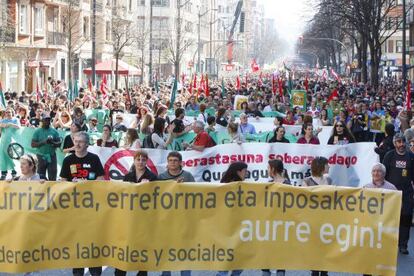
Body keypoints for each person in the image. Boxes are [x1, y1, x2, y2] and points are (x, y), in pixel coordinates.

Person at [59, 131, 104, 275]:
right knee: (77, 240)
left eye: (80, 142)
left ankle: (95, 270)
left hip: (91, 208)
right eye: (75, 141)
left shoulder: (94, 158)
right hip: (74, 208)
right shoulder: (68, 160)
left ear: (87, 144)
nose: (77, 144)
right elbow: (63, 182)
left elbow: (102, 179)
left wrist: (86, 184)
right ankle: (77, 270)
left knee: (93, 239)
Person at [114, 151, 157, 276]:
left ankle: (142, 272)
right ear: (134, 161)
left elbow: (158, 195)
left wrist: (147, 188)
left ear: (146, 161)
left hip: (144, 218)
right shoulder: (128, 176)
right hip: (129, 217)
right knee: (125, 246)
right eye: (138, 159)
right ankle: (120, 271)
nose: (140, 162)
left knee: (142, 247)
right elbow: (123, 194)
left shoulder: (152, 177)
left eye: (143, 160)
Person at [382, 133, 414, 254]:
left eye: (403, 141)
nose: (401, 144)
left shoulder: (411, 156)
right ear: (395, 143)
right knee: (389, 219)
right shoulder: (389, 156)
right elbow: (383, 173)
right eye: (398, 142)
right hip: (391, 194)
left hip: (406, 194)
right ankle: (388, 242)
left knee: (405, 218)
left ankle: (403, 245)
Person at [217, 162, 248, 276]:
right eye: (245, 171)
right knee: (230, 260)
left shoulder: (242, 185)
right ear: (239, 171)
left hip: (238, 225)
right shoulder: (228, 185)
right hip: (229, 225)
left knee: (238, 261)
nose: (246, 174)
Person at [262, 159, 289, 276]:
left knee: (280, 248)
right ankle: (266, 271)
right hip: (269, 220)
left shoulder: (286, 183)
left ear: (273, 169)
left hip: (282, 222)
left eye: (268, 168)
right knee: (267, 247)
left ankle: (280, 272)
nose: (267, 170)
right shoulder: (268, 183)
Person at [31, 113, 61, 181]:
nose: (47, 121)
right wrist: (44, 142)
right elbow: (32, 145)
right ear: (42, 121)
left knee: (52, 175)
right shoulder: (37, 131)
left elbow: (59, 143)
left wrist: (52, 142)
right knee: (40, 176)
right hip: (40, 156)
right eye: (45, 120)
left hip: (51, 156)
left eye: (48, 120)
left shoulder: (54, 131)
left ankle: (52, 190)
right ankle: (41, 190)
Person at [0, 107, 20, 180]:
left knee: (12, 157)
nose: (8, 113)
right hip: (3, 142)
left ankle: (14, 173)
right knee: (3, 157)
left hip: (12, 142)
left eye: (9, 112)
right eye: (6, 112)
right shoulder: (3, 120)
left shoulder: (15, 120)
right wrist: (5, 124)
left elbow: (18, 127)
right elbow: (1, 126)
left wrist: (10, 124)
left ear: (12, 113)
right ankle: (3, 173)